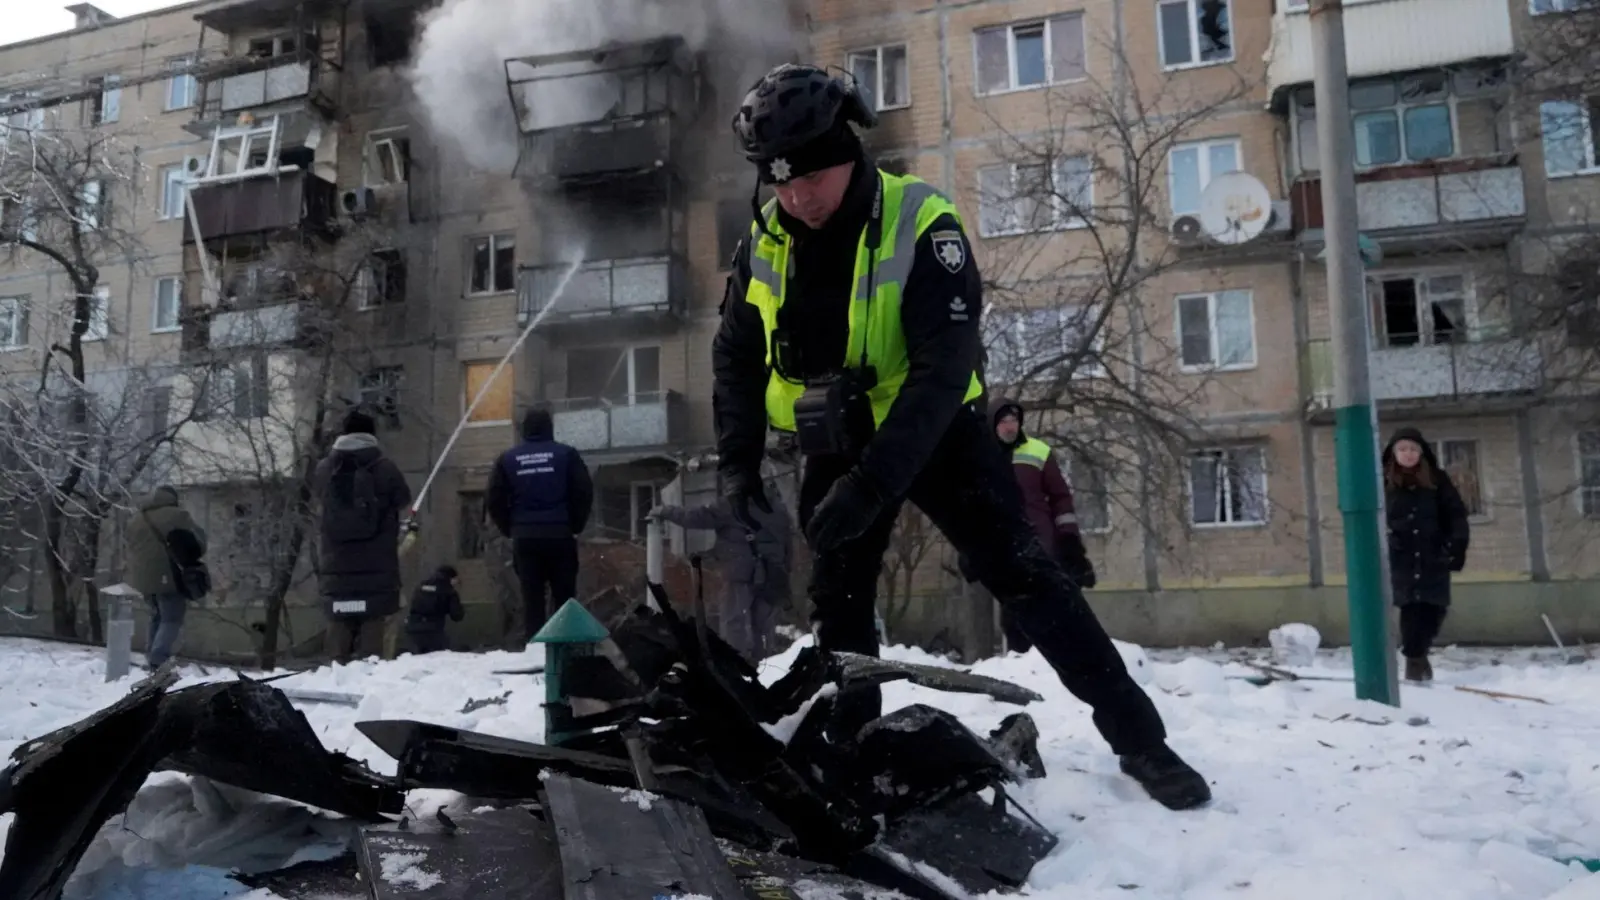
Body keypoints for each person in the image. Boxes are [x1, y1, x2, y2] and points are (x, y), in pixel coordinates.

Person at [712, 63, 1209, 810]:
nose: (797, 199)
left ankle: (1142, 741)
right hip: (836, 438)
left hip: (938, 434)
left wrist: (872, 485)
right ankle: (853, 736)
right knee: (838, 601)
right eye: (778, 185)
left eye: (811, 178)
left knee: (1027, 578)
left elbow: (943, 370)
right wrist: (738, 465)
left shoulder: (921, 221)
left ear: (849, 152)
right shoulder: (766, 240)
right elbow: (735, 355)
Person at [982, 399, 1097, 653]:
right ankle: (1021, 663)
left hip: (1042, 545)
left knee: (1051, 610)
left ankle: (1050, 662)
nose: (1010, 426)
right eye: (1003, 421)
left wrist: (1070, 545)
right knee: (1015, 618)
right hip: (1005, 549)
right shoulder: (982, 455)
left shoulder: (1038, 451)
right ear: (992, 424)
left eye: (1014, 420)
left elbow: (1061, 499)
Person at [649, 478, 792, 662]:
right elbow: (788, 546)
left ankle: (737, 668)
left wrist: (665, 511)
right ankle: (765, 667)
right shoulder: (778, 508)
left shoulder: (733, 504)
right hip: (772, 576)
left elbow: (697, 517)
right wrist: (784, 574)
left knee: (734, 624)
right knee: (763, 627)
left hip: (740, 575)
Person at [314, 409, 413, 663]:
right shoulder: (384, 467)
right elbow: (403, 498)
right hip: (377, 566)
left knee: (338, 628)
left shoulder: (324, 468)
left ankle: (335, 671)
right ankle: (369, 674)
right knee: (373, 629)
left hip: (336, 567)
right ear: (372, 434)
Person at [487, 407, 594, 642]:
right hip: (560, 535)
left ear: (524, 429)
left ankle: (535, 649)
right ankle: (565, 648)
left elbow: (494, 499)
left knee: (532, 598)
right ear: (550, 428)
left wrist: (510, 528)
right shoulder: (566, 455)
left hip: (525, 538)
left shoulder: (508, 459)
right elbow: (583, 491)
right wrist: (575, 525)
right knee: (565, 599)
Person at [1382, 427, 1470, 682]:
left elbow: (1456, 515)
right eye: (1402, 449)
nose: (1408, 454)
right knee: (1411, 609)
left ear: (1421, 452)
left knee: (1434, 609)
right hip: (1402, 558)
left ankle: (1419, 656)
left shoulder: (1437, 480)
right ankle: (1415, 662)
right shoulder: (1383, 481)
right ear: (1393, 453)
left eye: (1413, 449)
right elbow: (1375, 517)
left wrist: (1456, 546)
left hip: (1433, 555)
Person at [125, 485, 208, 668]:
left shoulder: (135, 520)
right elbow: (199, 542)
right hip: (170, 575)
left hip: (142, 580)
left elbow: (130, 547)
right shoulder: (178, 515)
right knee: (171, 618)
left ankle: (151, 656)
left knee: (156, 616)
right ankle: (158, 658)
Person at [405, 564, 464, 654]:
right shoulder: (449, 590)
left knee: (418, 656)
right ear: (452, 578)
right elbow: (457, 616)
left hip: (413, 627)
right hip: (433, 630)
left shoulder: (421, 585)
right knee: (438, 656)